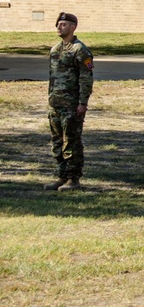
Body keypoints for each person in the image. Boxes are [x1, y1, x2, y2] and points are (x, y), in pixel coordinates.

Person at [44, 12, 94, 192]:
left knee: (71, 141)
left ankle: (74, 179)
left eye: (64, 24)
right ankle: (61, 175)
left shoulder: (80, 50)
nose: (59, 27)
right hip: (56, 104)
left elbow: (86, 78)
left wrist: (82, 102)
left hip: (72, 105)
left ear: (73, 27)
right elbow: (52, 78)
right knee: (57, 141)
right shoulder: (55, 50)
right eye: (58, 24)